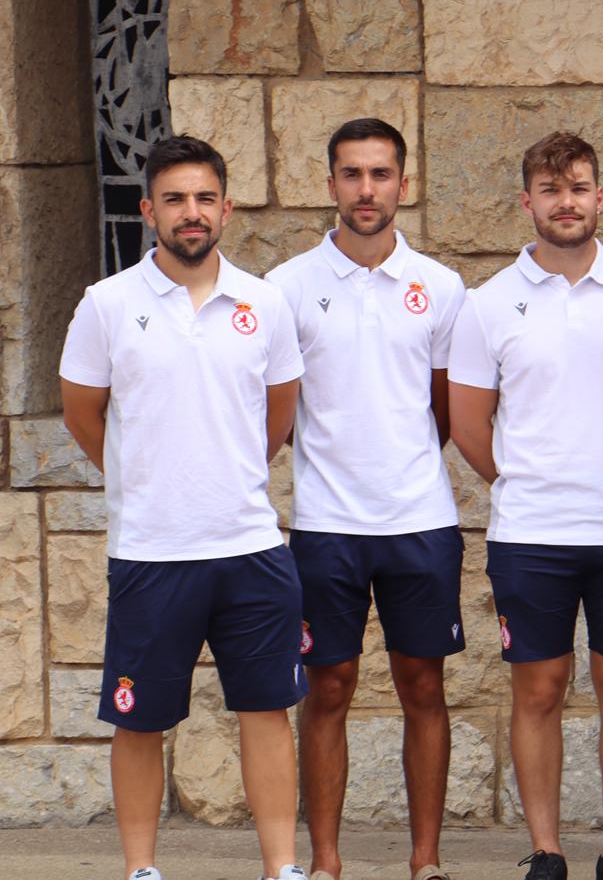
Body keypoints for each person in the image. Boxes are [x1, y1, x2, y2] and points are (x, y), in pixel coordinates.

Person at [59, 135, 309, 880]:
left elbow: (278, 416)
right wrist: (143, 478)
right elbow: (82, 413)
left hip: (250, 548)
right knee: (138, 719)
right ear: (148, 211)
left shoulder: (265, 303)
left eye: (204, 198)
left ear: (226, 209)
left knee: (266, 710)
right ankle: (141, 869)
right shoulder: (107, 304)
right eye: (174, 199)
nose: (190, 212)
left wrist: (224, 475)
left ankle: (281, 868)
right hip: (151, 552)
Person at [449, 131, 603, 880]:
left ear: (599, 197)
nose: (565, 202)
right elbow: (468, 424)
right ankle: (546, 850)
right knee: (538, 690)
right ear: (527, 201)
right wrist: (524, 483)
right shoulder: (487, 304)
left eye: (578, 188)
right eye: (550, 189)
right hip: (532, 533)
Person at [265, 118, 465, 880]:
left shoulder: (440, 287)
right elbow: (280, 410)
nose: (366, 189)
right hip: (326, 526)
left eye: (380, 174)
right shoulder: (287, 287)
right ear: (331, 185)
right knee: (329, 687)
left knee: (424, 685)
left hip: (421, 521)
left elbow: (444, 408)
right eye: (352, 174)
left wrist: (399, 465)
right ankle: (325, 863)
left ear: (403, 185)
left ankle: (426, 862)